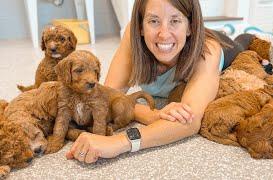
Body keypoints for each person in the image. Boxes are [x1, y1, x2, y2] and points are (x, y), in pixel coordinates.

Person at [65, 0, 239, 164]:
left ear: (190, 27)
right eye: (154, 21)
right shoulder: (132, 36)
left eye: (175, 20)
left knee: (246, 41)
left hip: (229, 46)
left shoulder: (208, 51)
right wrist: (151, 114)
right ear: (140, 26)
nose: (164, 34)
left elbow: (190, 121)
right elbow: (106, 97)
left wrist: (119, 142)